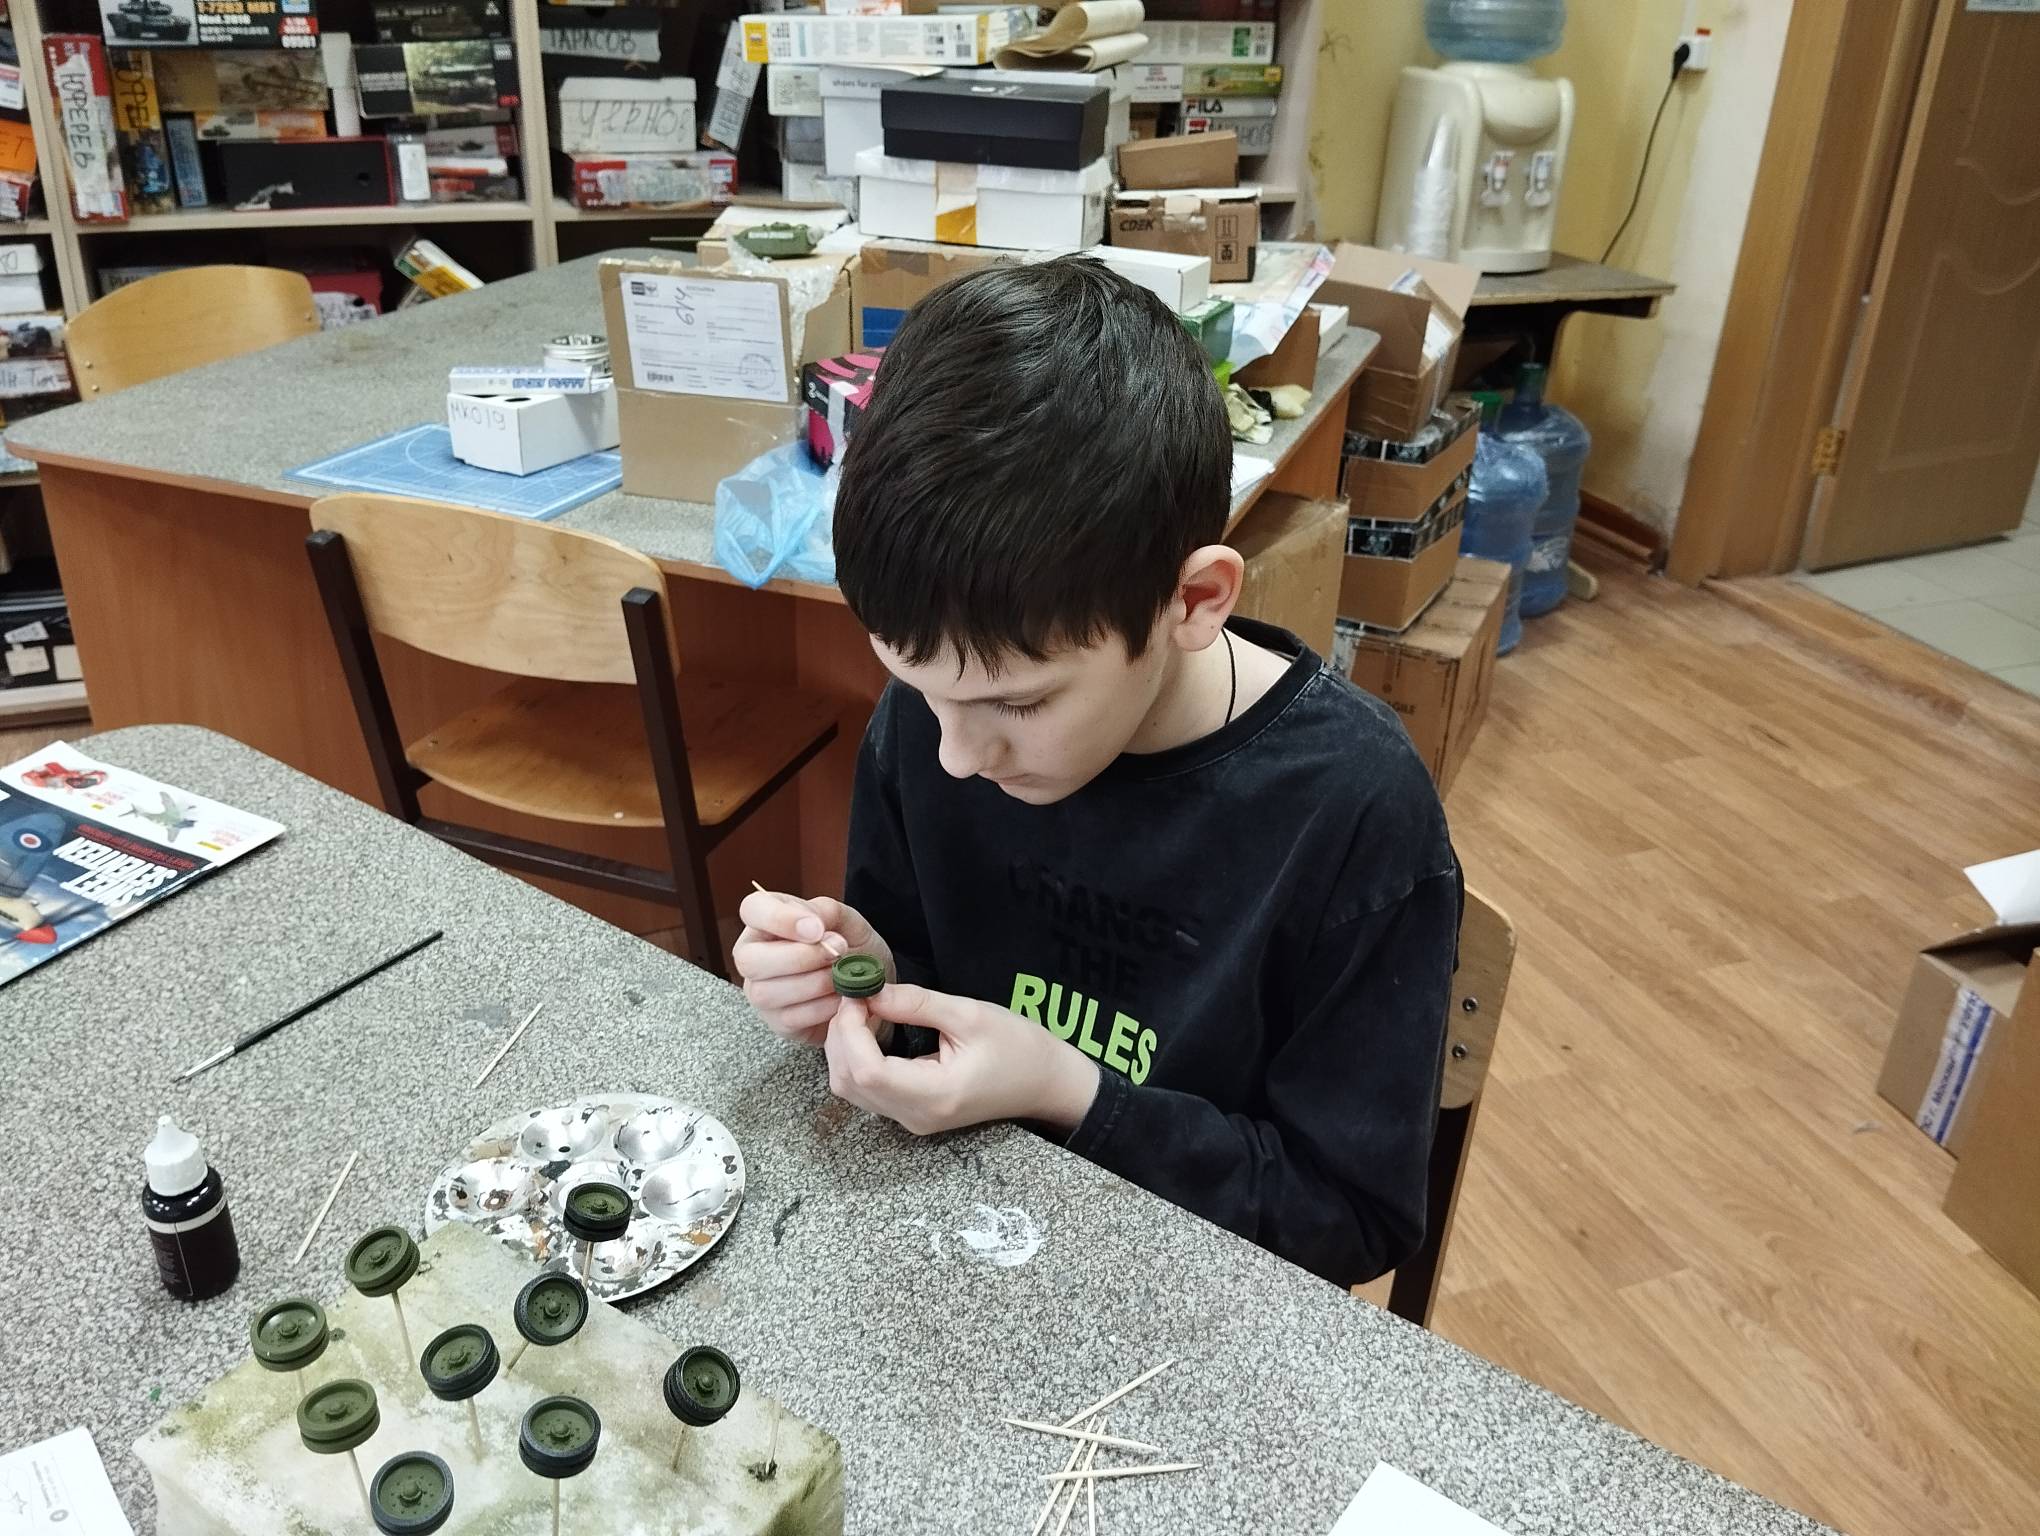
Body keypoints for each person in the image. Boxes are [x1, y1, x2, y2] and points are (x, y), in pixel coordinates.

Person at [735, 256, 1461, 1285]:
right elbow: (918, 983)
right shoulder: (938, 717)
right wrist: (862, 981)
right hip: (957, 1243)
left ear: (1194, 602)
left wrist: (1070, 1092)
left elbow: (1349, 1217)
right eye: (915, 686)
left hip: (1192, 1296)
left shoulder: (1350, 811)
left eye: (1020, 705)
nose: (956, 756)